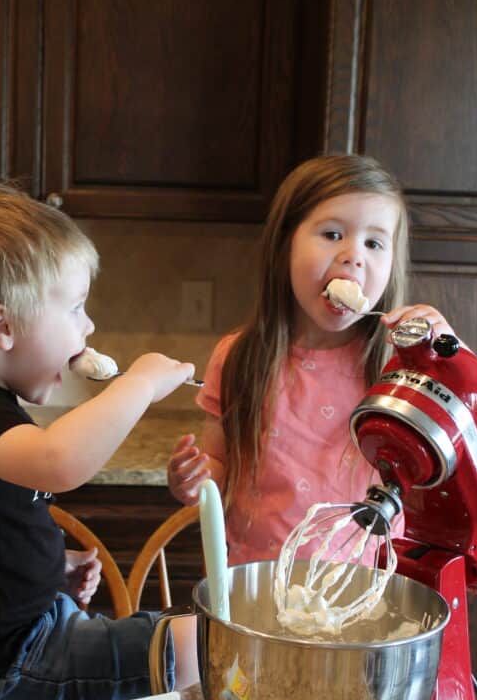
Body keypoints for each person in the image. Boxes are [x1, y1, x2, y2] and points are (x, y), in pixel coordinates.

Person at [0, 180, 198, 700]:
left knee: (184, 642)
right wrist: (141, 385)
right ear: (2, 327)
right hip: (2, 668)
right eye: (76, 307)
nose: (89, 325)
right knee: (196, 645)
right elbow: (60, 464)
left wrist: (48, 566)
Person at [167, 153, 456, 566]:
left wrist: (448, 359)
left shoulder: (403, 364)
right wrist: (195, 479)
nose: (354, 255)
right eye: (333, 234)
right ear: (285, 244)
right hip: (257, 580)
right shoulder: (239, 357)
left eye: (374, 243)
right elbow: (220, 465)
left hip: (364, 587)